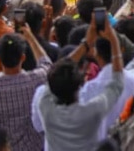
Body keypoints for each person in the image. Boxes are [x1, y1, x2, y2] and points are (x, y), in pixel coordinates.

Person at [34, 17, 124, 151]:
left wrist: (86, 43)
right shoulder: (92, 110)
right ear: (79, 85)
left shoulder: (45, 106)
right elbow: (117, 83)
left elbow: (56, 72)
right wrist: (113, 40)